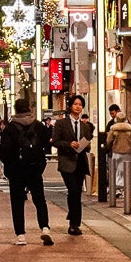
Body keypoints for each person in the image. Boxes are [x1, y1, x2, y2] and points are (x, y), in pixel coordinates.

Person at [0, 97, 53, 246]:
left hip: (16, 169)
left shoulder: (10, 128)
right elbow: (45, 144)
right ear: (29, 109)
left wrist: (9, 169)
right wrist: (40, 165)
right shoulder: (38, 126)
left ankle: (21, 235)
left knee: (17, 202)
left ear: (16, 110)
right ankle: (45, 227)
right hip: (34, 168)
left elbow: (4, 152)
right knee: (39, 199)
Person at [52, 95, 95, 236]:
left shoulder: (85, 126)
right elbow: (55, 141)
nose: (78, 106)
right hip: (67, 161)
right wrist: (69, 144)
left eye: (80, 104)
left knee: (76, 193)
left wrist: (85, 145)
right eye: (75, 104)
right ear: (70, 106)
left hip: (81, 161)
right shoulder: (61, 124)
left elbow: (88, 142)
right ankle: (73, 223)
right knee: (73, 190)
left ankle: (75, 222)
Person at [104, 105, 131, 208]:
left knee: (116, 172)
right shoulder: (130, 130)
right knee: (127, 172)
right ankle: (126, 191)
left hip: (116, 152)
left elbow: (108, 141)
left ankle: (117, 189)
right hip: (128, 153)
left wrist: (108, 149)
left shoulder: (113, 129)